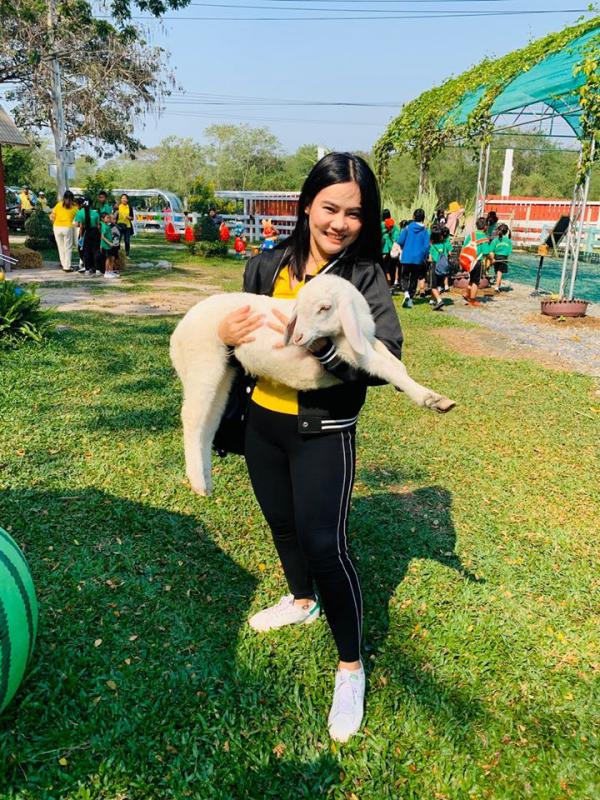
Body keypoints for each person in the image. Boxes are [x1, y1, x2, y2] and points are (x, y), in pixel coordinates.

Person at [217, 152, 403, 742]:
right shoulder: (266, 265)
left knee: (326, 545)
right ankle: (301, 601)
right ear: (306, 206)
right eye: (330, 208)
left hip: (324, 432)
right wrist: (224, 335)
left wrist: (323, 346)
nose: (340, 223)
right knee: (283, 525)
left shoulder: (364, 279)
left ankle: (351, 667)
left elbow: (386, 357)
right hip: (262, 426)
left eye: (355, 213)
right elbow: (239, 343)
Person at [397, 208, 430, 308]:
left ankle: (406, 294)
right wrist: (424, 256)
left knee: (404, 276)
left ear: (413, 217)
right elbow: (426, 246)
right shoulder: (425, 231)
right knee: (414, 278)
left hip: (407, 257)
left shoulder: (407, 228)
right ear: (423, 218)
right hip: (418, 258)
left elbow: (400, 241)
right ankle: (410, 299)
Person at [461, 216, 490, 306]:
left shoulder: (471, 235)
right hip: (477, 262)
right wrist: (491, 259)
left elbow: (464, 247)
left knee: (472, 279)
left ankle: (467, 294)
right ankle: (472, 300)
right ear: (485, 227)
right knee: (476, 282)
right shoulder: (484, 238)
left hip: (469, 261)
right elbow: (486, 252)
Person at [50, 190, 78, 272]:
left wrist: (53, 224)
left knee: (60, 247)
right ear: (72, 199)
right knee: (68, 247)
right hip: (67, 228)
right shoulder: (74, 207)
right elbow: (77, 218)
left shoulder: (58, 205)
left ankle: (64, 264)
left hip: (57, 227)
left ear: (64, 198)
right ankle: (67, 266)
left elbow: (52, 216)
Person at [74, 197, 101, 276]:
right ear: (91, 204)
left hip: (86, 232)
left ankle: (87, 270)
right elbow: (98, 226)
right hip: (95, 233)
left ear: (83, 204)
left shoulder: (80, 213)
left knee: (86, 252)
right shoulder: (96, 213)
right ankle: (97, 269)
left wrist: (81, 237)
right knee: (96, 251)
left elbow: (80, 226)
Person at [428, 224, 452, 311]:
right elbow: (449, 253)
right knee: (438, 285)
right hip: (443, 266)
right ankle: (432, 299)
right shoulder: (444, 245)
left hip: (435, 266)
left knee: (432, 285)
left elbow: (430, 259)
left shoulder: (432, 246)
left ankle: (439, 300)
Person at [380, 209, 399, 289]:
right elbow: (397, 236)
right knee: (390, 268)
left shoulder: (381, 224)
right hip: (391, 248)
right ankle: (390, 285)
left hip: (383, 248)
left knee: (382, 268)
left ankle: (385, 285)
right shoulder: (393, 224)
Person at [490, 223, 512, 292]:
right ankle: (497, 287)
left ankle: (497, 287)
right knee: (499, 273)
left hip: (496, 258)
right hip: (504, 258)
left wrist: (492, 259)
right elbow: (509, 251)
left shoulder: (495, 240)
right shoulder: (509, 241)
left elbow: (491, 251)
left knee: (498, 273)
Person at [100, 212, 121, 278]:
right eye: (107, 218)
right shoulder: (104, 226)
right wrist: (109, 243)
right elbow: (102, 236)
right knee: (108, 258)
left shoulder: (108, 225)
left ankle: (111, 271)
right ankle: (106, 272)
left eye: (109, 218)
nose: (108, 219)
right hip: (107, 245)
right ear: (102, 219)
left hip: (111, 245)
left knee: (112, 258)